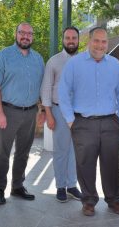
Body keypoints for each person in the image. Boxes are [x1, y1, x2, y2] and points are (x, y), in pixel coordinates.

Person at [58, 27, 119, 216]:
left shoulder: (115, 64)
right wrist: (71, 120)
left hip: (110, 123)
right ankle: (88, 200)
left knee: (111, 163)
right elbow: (63, 93)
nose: (100, 45)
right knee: (85, 163)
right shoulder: (74, 64)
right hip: (83, 124)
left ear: (107, 43)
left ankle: (113, 200)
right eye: (96, 41)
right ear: (89, 41)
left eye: (104, 41)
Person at [0, 22, 44, 205]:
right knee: (3, 153)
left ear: (32, 37)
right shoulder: (3, 55)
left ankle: (17, 186)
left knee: (23, 152)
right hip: (8, 112)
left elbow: (41, 88)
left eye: (29, 33)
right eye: (22, 32)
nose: (25, 36)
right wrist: (0, 112)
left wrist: (42, 110)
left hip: (30, 112)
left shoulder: (38, 59)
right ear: (16, 34)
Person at [40, 26, 82, 202]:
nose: (71, 41)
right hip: (58, 111)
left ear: (78, 40)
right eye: (67, 38)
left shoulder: (84, 61)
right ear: (63, 40)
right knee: (60, 151)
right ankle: (60, 186)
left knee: (75, 151)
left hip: (79, 113)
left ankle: (72, 185)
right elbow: (46, 90)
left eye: (74, 38)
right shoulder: (53, 62)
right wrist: (48, 114)